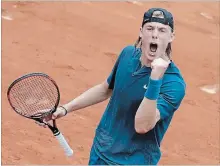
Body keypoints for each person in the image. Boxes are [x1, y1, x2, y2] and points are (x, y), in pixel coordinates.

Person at [38, 8, 186, 165]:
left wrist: (155, 79)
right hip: (100, 152)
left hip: (133, 161)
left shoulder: (173, 84)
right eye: (150, 28)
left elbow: (142, 125)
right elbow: (105, 89)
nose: (155, 34)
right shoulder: (128, 54)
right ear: (141, 32)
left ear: (171, 37)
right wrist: (64, 109)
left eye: (162, 30)